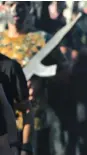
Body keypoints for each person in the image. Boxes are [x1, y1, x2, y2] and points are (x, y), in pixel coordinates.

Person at [0, 1, 66, 155]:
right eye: (10, 4)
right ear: (2, 7)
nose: (15, 10)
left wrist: (40, 83)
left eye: (21, 5)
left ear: (29, 8)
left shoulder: (43, 40)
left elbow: (64, 74)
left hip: (37, 121)